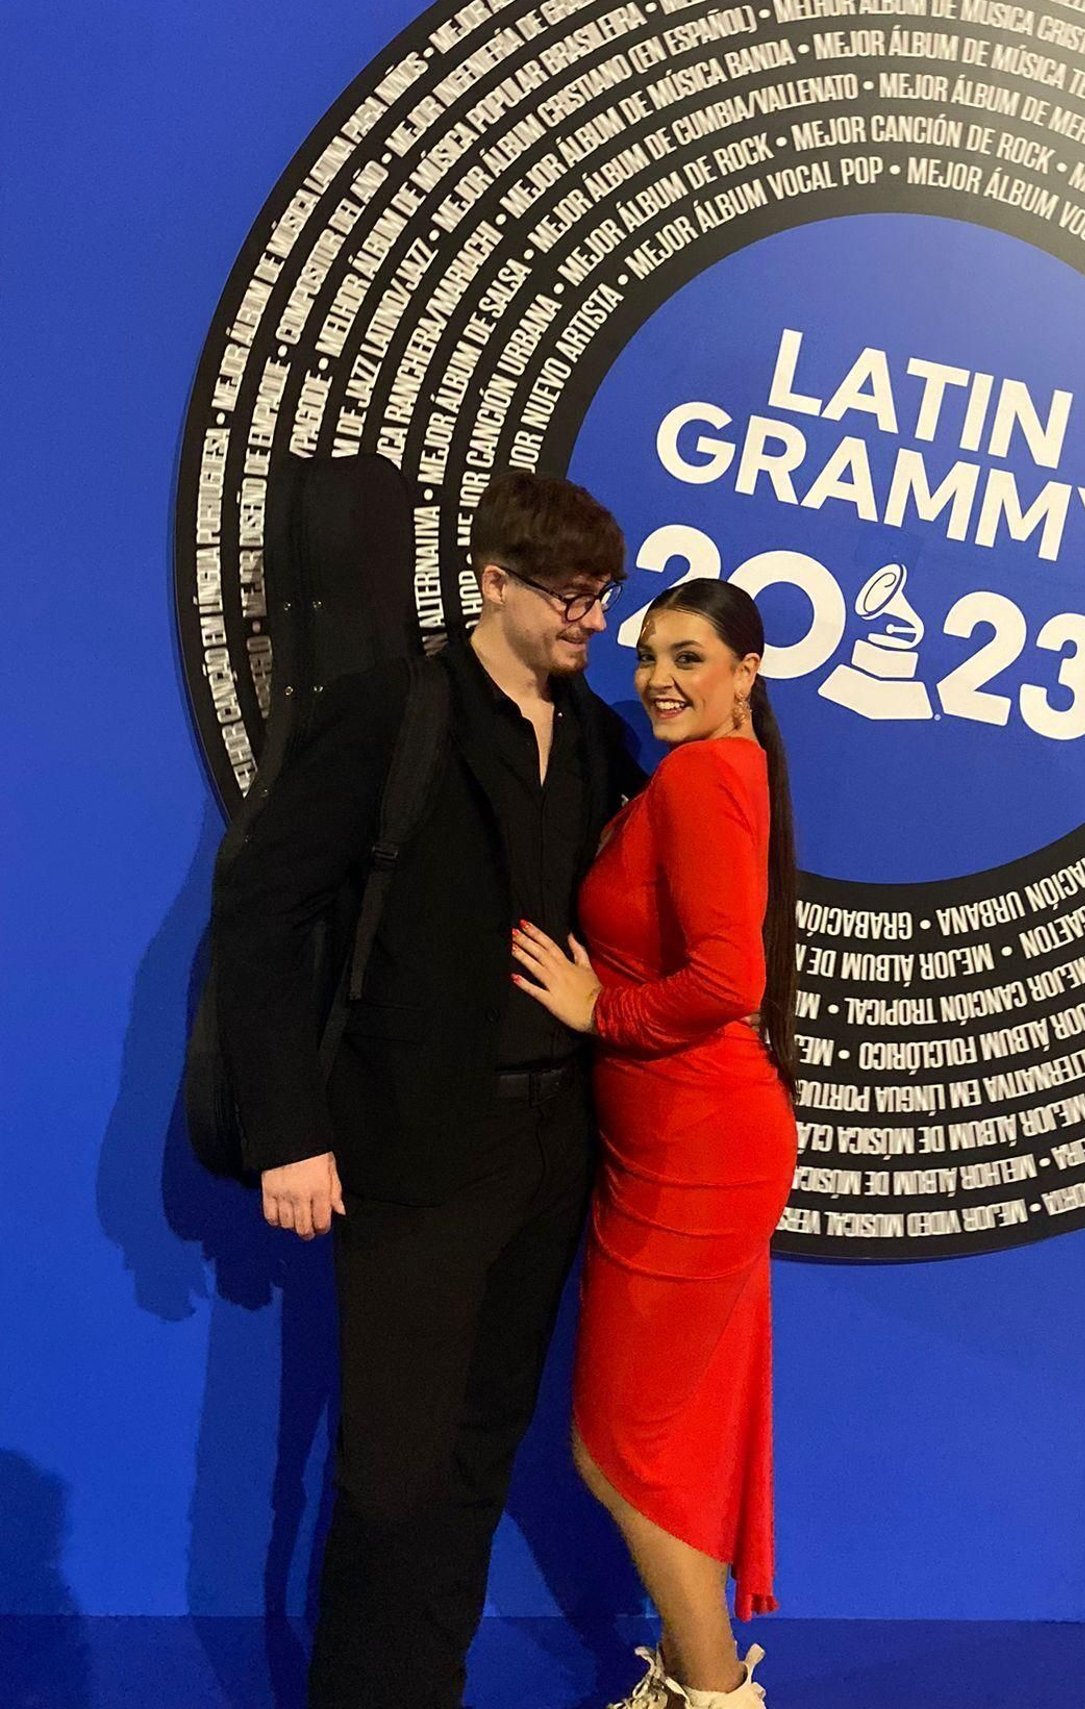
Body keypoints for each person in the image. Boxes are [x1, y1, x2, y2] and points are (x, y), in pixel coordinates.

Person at [209, 471, 644, 1709]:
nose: (590, 621)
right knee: (391, 1469)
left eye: (603, 597)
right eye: (568, 594)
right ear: (492, 581)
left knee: (475, 1457)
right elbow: (259, 914)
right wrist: (288, 1131)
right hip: (407, 1147)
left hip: (551, 1145)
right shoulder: (387, 713)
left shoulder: (599, 735)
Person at [510, 577, 799, 1709]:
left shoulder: (706, 779)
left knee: (620, 1446)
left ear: (745, 673)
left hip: (697, 1138)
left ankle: (714, 1696)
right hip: (666, 1136)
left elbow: (731, 978)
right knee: (656, 1444)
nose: (660, 679)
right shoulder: (699, 775)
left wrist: (602, 1014)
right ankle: (693, 1679)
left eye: (690, 657)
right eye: (649, 656)